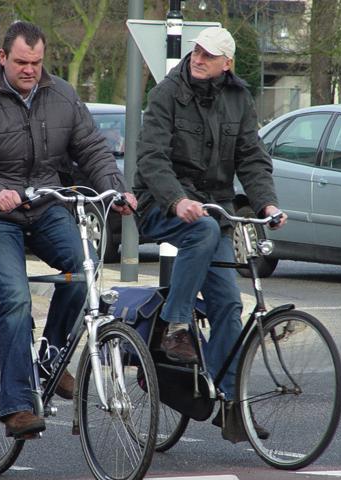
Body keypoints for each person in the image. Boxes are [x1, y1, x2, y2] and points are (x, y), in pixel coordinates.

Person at [0, 21, 137, 439]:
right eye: (21, 62)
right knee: (15, 299)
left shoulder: (62, 95)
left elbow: (92, 150)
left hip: (45, 207)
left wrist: (115, 190)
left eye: (36, 62)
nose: (30, 70)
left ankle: (48, 359)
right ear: (2, 58)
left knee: (83, 272)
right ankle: (16, 405)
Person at [134, 27, 287, 441]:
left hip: (213, 210)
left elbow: (252, 158)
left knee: (228, 307)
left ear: (227, 64)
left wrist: (266, 205)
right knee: (200, 229)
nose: (199, 58)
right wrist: (175, 199)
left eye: (209, 54)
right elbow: (151, 157)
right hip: (160, 204)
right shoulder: (167, 93)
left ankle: (228, 403)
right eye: (196, 51)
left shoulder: (239, 98)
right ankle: (175, 326)